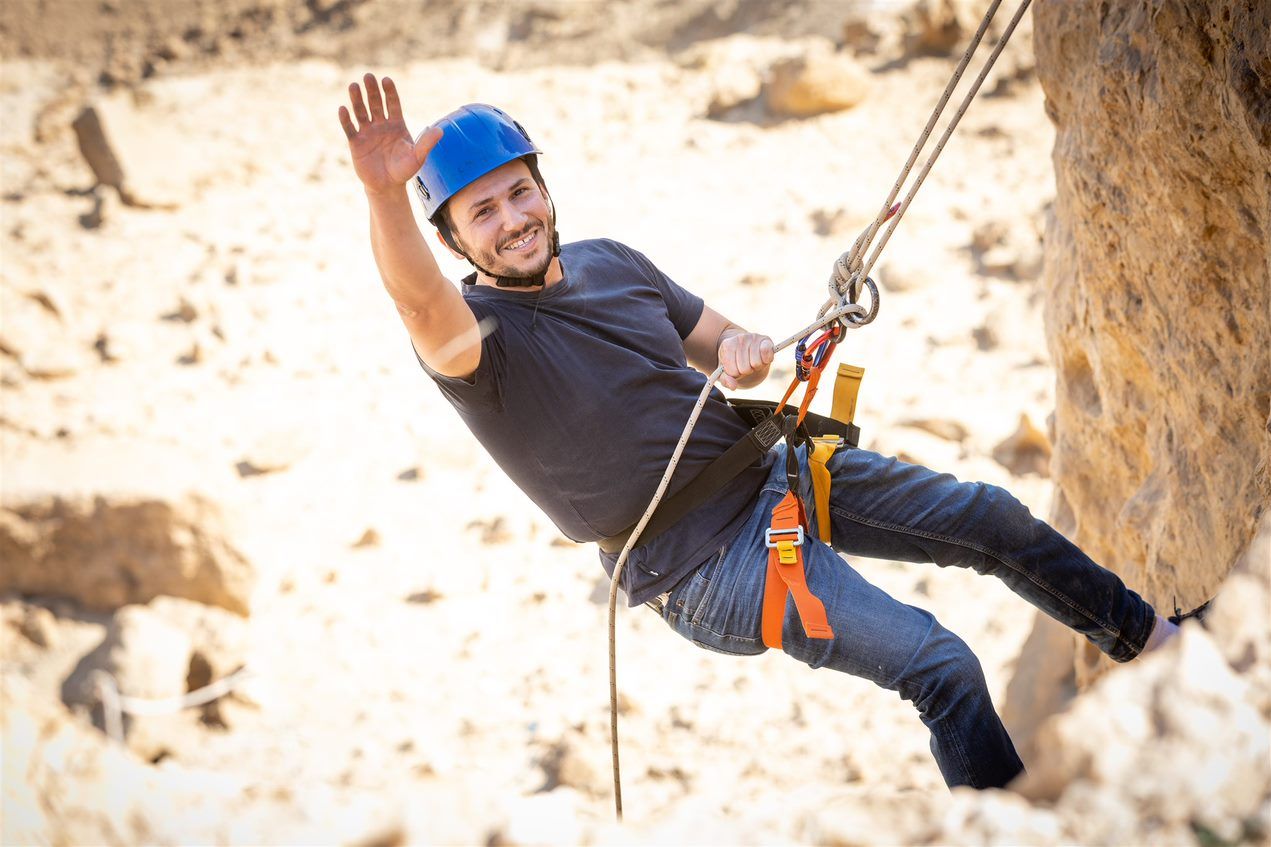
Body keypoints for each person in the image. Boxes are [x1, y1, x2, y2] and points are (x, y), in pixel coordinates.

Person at [338, 74, 1203, 790]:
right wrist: (384, 196)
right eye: (482, 212)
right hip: (703, 567)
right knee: (942, 666)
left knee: (990, 517)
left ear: (544, 187)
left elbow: (717, 339)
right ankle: (1002, 829)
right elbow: (417, 300)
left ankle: (1158, 643)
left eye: (520, 191)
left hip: (774, 475)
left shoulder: (610, 261)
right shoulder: (478, 343)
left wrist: (741, 349)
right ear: (452, 238)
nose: (513, 218)